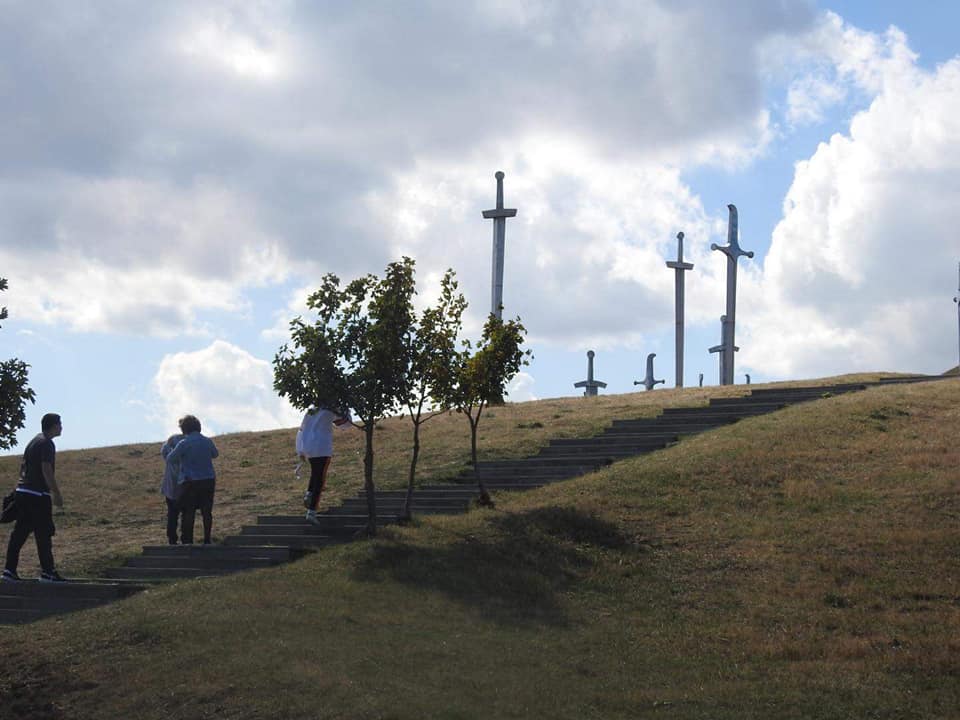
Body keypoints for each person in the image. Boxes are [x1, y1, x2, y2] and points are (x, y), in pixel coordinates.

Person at [2, 413, 66, 582]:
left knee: (20, 532)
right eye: (59, 424)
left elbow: (23, 468)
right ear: (52, 425)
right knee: (43, 533)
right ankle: (48, 572)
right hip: (38, 495)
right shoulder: (47, 443)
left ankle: (9, 570)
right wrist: (56, 494)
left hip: (23, 492)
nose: (61, 427)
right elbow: (46, 469)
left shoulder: (33, 442)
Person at [165, 415, 218, 545]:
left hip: (190, 481)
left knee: (189, 511)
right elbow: (215, 454)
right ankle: (207, 538)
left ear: (184, 429)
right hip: (208, 479)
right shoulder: (207, 441)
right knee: (207, 511)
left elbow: (170, 459)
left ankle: (188, 540)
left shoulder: (184, 443)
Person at [297, 406, 352, 525]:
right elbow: (345, 424)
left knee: (315, 473)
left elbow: (301, 429)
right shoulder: (332, 408)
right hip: (322, 446)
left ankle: (309, 494)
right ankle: (311, 511)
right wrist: (347, 411)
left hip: (309, 446)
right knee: (320, 479)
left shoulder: (311, 410)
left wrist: (300, 450)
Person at [160, 430, 185, 544]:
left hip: (169, 487)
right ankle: (185, 537)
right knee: (186, 513)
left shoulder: (168, 457)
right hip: (184, 487)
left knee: (172, 514)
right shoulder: (184, 458)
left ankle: (172, 538)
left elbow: (164, 450)